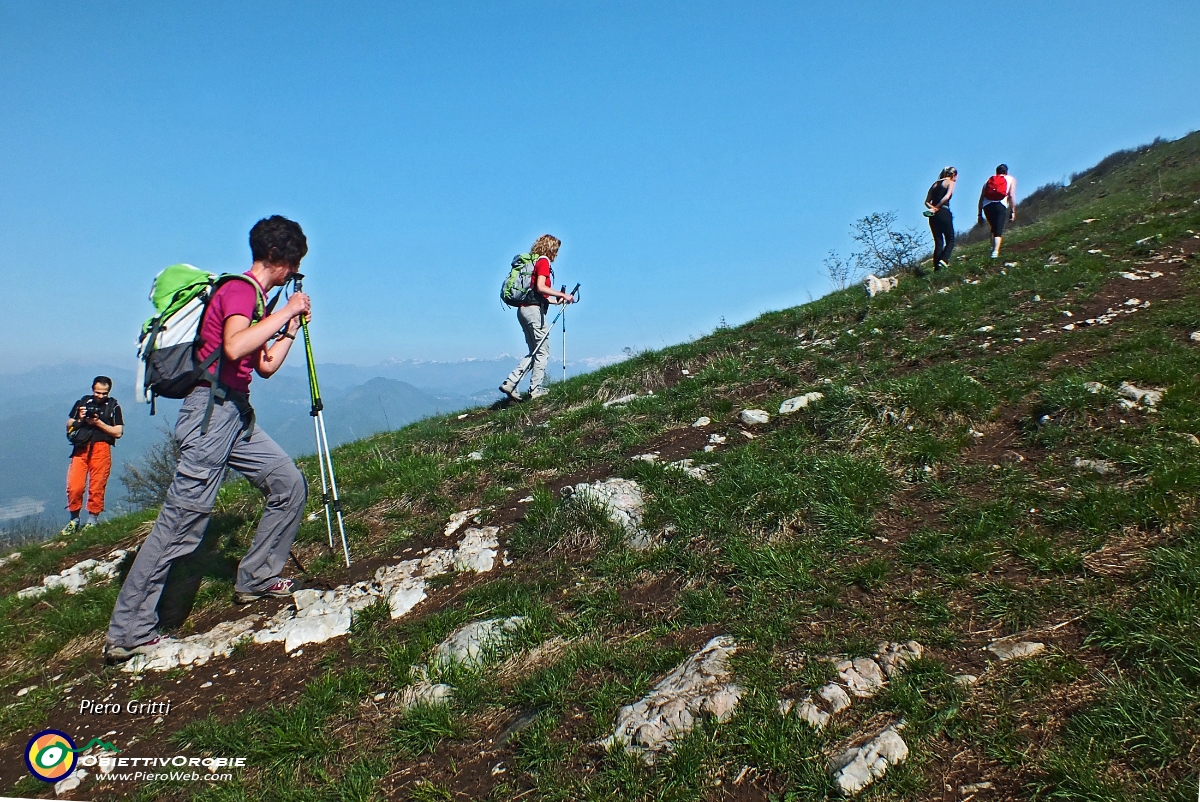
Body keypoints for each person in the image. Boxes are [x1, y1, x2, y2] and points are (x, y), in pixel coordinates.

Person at [105, 215, 313, 663]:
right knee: (181, 522)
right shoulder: (239, 290)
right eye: (293, 265)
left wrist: (291, 329)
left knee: (287, 483)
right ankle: (129, 630)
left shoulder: (257, 301)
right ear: (279, 258)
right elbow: (236, 347)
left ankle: (257, 578)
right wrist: (288, 310)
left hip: (236, 412)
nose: (294, 273)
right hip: (209, 413)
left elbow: (265, 364)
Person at [498, 234, 575, 402]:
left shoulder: (532, 263)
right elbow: (541, 287)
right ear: (551, 248)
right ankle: (535, 389)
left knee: (535, 350)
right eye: (556, 249)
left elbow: (539, 293)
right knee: (543, 351)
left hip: (524, 310)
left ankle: (511, 383)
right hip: (534, 312)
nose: (557, 253)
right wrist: (564, 295)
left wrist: (557, 300)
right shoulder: (543, 261)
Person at [61, 376, 124, 534]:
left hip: (101, 448)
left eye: (104, 393)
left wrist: (98, 423)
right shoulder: (83, 403)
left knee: (97, 486)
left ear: (108, 392)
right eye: (98, 392)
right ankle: (74, 519)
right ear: (92, 389)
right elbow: (69, 424)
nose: (101, 396)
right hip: (81, 447)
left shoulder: (114, 406)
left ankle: (92, 521)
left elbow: (118, 432)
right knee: (74, 486)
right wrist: (80, 419)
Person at [978, 164, 1017, 258]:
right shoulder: (1011, 179)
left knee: (993, 228)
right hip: (1000, 204)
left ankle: (992, 249)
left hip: (987, 206)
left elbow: (981, 198)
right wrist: (1013, 211)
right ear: (1006, 171)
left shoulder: (988, 180)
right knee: (998, 229)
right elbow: (1011, 195)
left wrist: (979, 214)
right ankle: (995, 252)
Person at [924, 166, 957, 270]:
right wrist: (938, 207)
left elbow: (926, 201)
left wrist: (933, 208)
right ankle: (944, 260)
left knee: (938, 241)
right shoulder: (950, 182)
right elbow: (947, 196)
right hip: (944, 211)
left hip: (933, 215)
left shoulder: (935, 184)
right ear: (953, 175)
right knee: (950, 239)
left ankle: (936, 268)